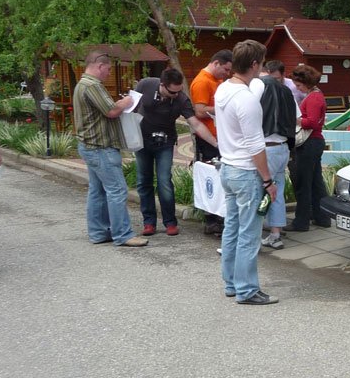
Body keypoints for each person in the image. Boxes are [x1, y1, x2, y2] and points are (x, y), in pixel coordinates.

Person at [215, 39, 279, 305]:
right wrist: (268, 181)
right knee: (249, 234)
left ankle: (231, 283)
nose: (262, 67)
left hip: (228, 168)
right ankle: (247, 289)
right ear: (254, 65)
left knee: (232, 228)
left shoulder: (223, 90)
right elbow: (255, 146)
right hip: (245, 172)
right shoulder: (247, 100)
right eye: (261, 62)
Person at [72, 51, 147, 247]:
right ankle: (123, 234)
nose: (109, 72)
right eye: (108, 69)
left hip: (89, 145)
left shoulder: (81, 85)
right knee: (117, 190)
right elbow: (112, 111)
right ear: (99, 66)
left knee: (97, 191)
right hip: (101, 147)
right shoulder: (93, 86)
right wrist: (126, 102)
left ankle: (98, 232)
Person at [134, 68, 217, 236]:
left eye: (179, 91)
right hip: (141, 141)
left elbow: (196, 124)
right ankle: (148, 222)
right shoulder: (146, 84)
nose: (176, 95)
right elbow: (130, 105)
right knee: (144, 181)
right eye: (173, 92)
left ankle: (170, 222)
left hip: (165, 142)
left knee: (164, 180)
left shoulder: (181, 99)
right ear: (162, 85)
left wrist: (216, 143)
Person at [248, 60, 297, 249]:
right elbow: (295, 119)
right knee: (276, 192)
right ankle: (275, 235)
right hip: (282, 147)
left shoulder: (256, 87)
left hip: (265, 147)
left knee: (258, 192)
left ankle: (252, 238)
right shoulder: (286, 91)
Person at [190, 49, 232, 235]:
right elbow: (199, 111)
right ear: (216, 63)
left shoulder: (217, 80)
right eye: (225, 69)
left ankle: (220, 216)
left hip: (220, 136)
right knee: (212, 175)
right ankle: (211, 219)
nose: (227, 74)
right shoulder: (202, 81)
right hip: (209, 138)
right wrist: (223, 107)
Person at [284, 64, 331, 232]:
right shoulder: (317, 96)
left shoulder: (313, 98)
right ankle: (322, 216)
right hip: (316, 142)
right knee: (316, 182)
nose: (297, 88)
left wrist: (295, 120)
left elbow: (310, 122)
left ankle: (301, 221)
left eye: (298, 85)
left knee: (303, 184)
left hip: (309, 143)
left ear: (306, 83)